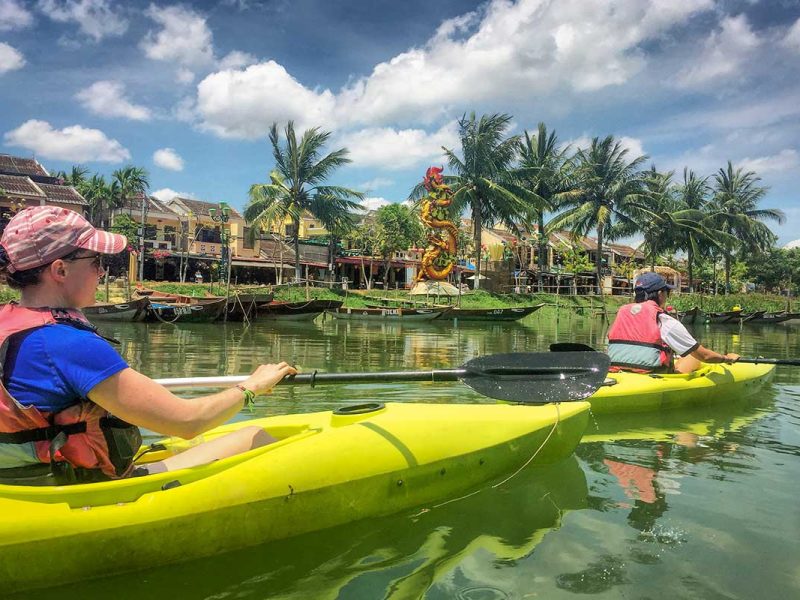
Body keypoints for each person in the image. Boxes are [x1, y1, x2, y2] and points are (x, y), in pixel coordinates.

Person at [0, 206, 296, 483]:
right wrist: (252, 387)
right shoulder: (67, 343)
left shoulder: (9, 322)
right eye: (96, 262)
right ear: (60, 270)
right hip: (78, 488)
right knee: (253, 435)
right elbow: (187, 422)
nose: (102, 272)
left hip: (24, 481)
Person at [607, 272, 739, 374]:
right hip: (652, 376)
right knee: (693, 356)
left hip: (619, 372)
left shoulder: (623, 314)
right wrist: (726, 358)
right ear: (660, 294)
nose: (667, 296)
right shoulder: (664, 320)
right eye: (667, 292)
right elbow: (705, 356)